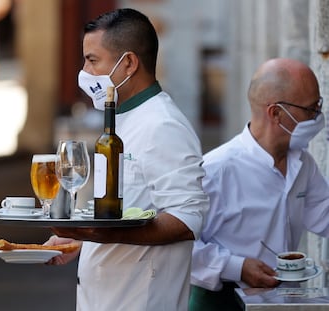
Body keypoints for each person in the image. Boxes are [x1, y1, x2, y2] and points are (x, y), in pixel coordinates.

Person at [44, 8, 209, 311]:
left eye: (92, 60)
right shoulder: (121, 119)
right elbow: (132, 208)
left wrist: (102, 234)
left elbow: (187, 220)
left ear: (129, 63)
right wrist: (83, 241)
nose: (85, 72)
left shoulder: (163, 125)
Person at [189, 58, 329, 311]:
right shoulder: (215, 169)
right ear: (275, 113)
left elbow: (324, 214)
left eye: (318, 106)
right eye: (310, 109)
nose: (317, 117)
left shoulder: (303, 163)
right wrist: (237, 266)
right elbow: (180, 246)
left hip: (280, 302)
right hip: (221, 302)